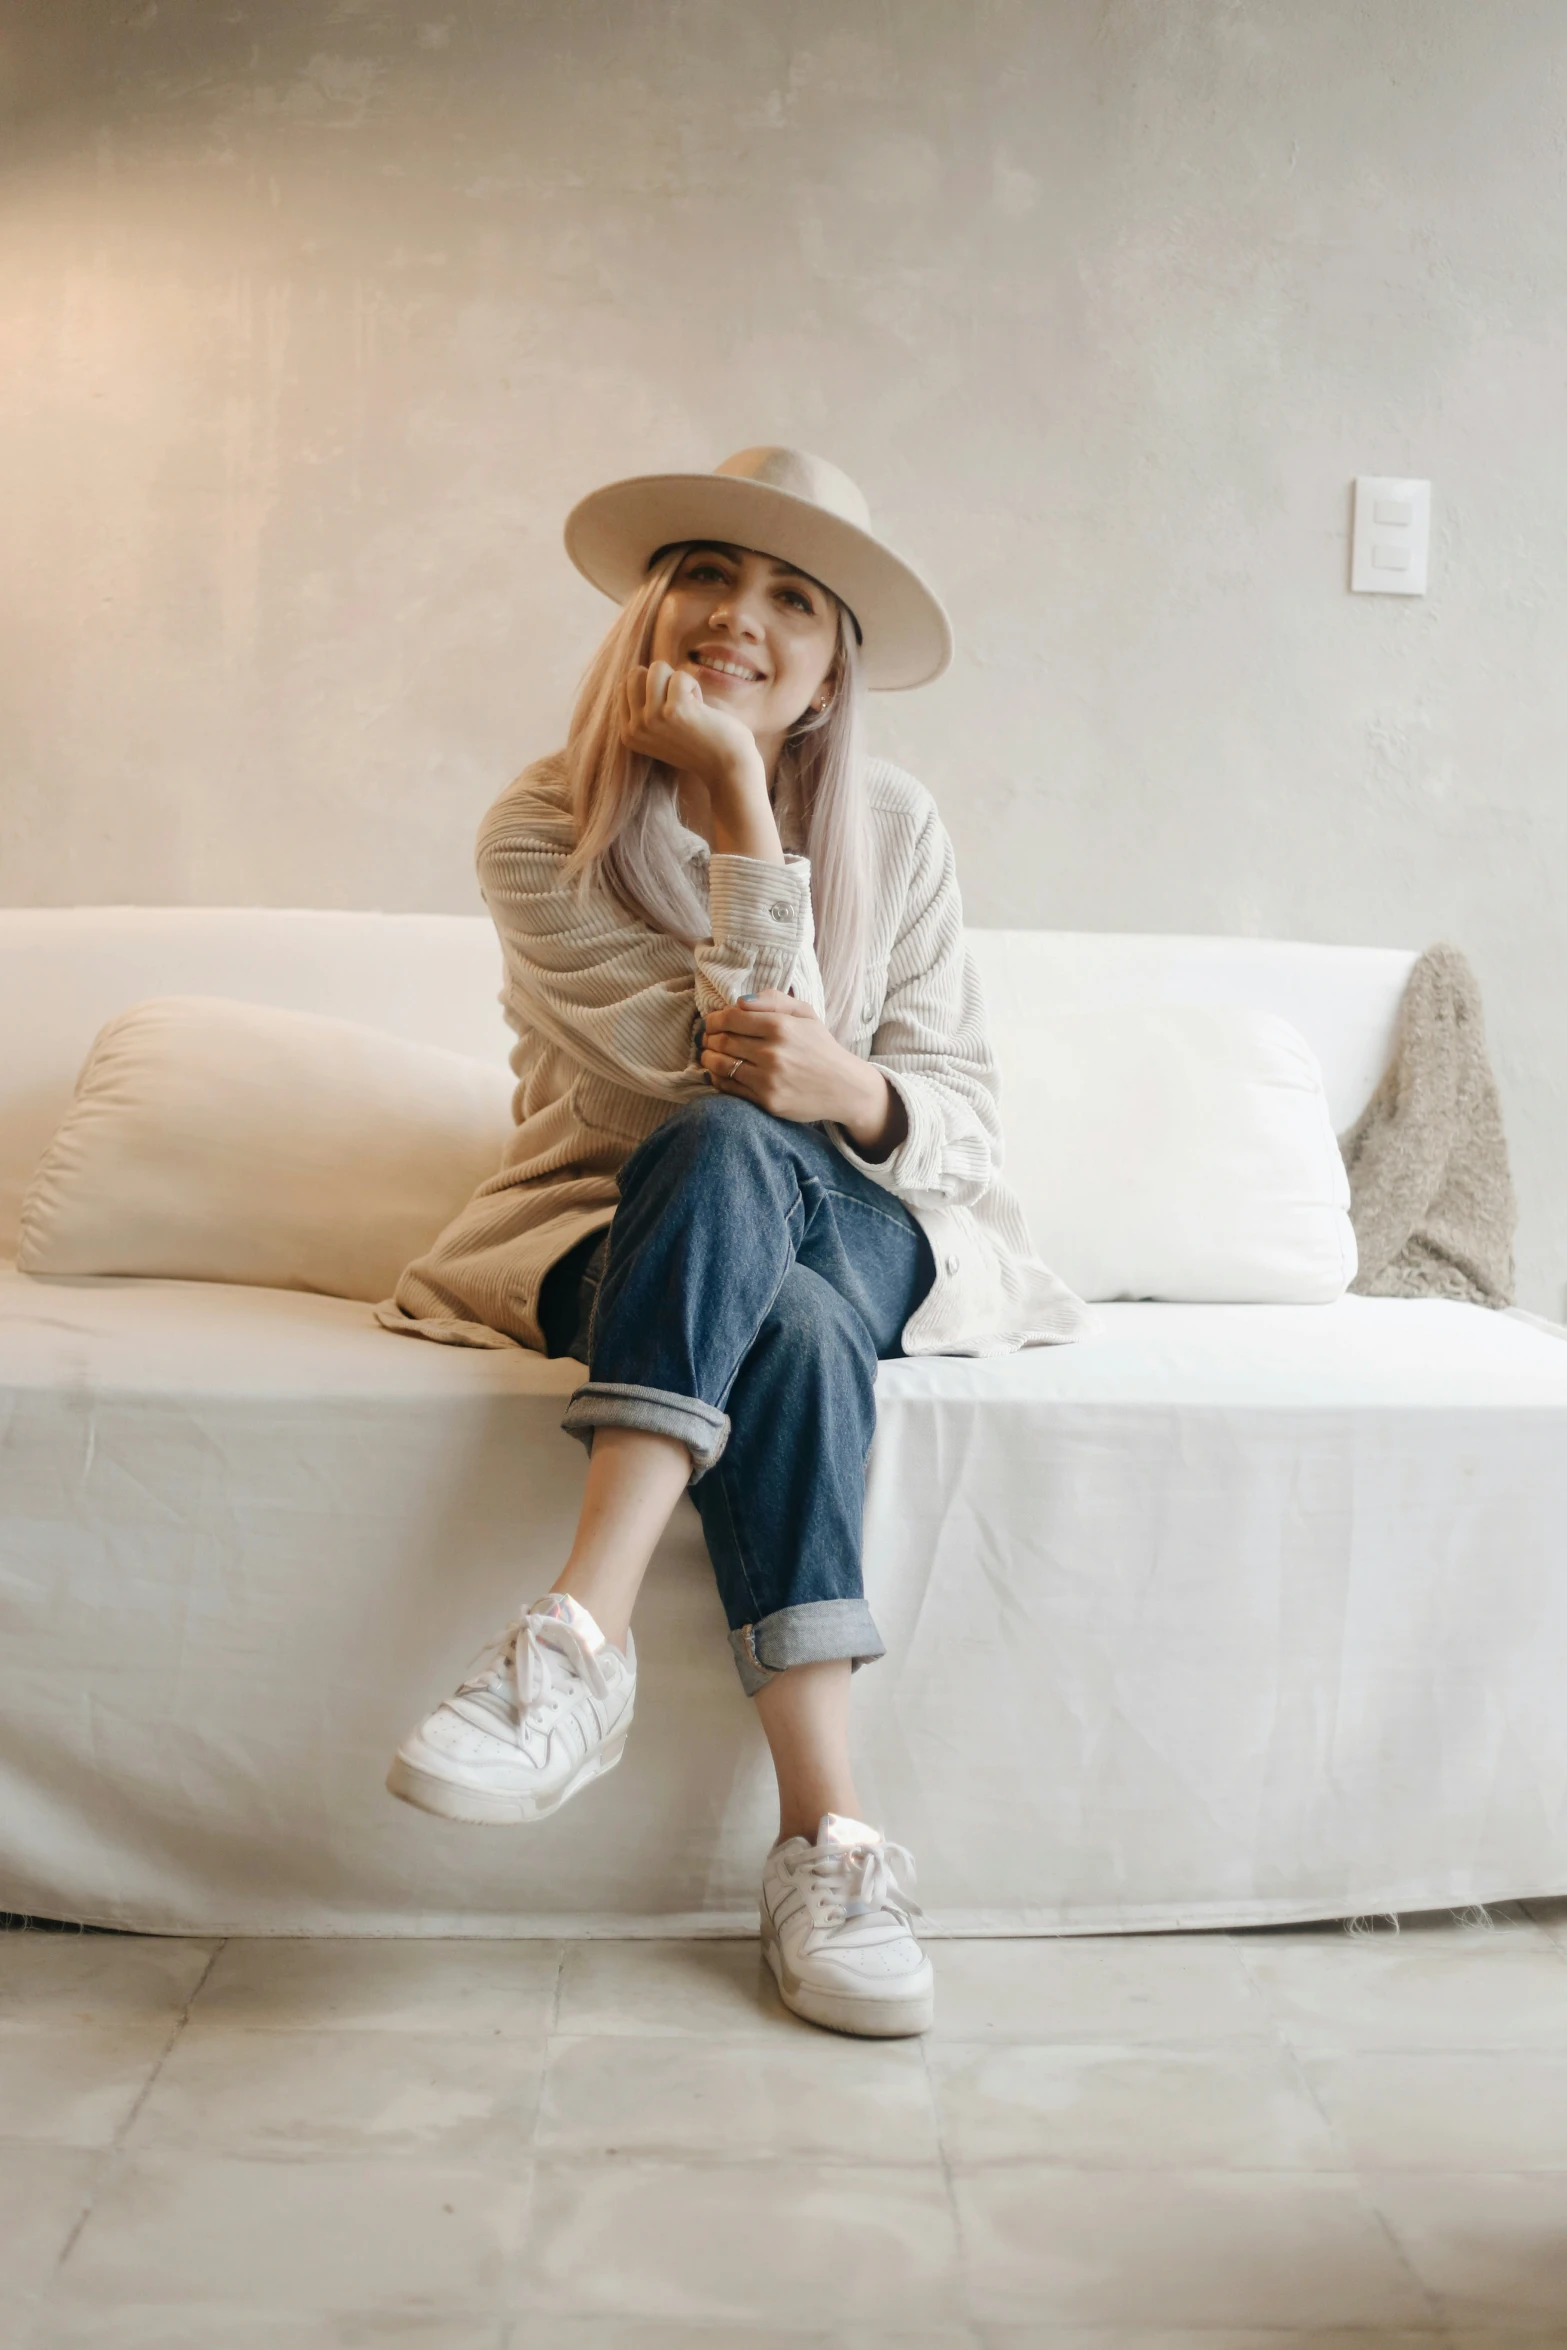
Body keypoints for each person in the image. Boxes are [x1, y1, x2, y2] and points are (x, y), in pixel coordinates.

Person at [376, 446, 1092, 2038]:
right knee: (773, 1270)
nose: (738, 616)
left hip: (859, 1210)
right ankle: (828, 1841)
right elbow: (709, 1069)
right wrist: (731, 805)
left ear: (832, 669)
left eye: (792, 597)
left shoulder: (899, 828)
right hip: (609, 1223)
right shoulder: (537, 827)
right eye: (709, 574)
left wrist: (865, 1090)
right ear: (654, 605)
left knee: (759, 1162)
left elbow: (952, 1109)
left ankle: (573, 1636)